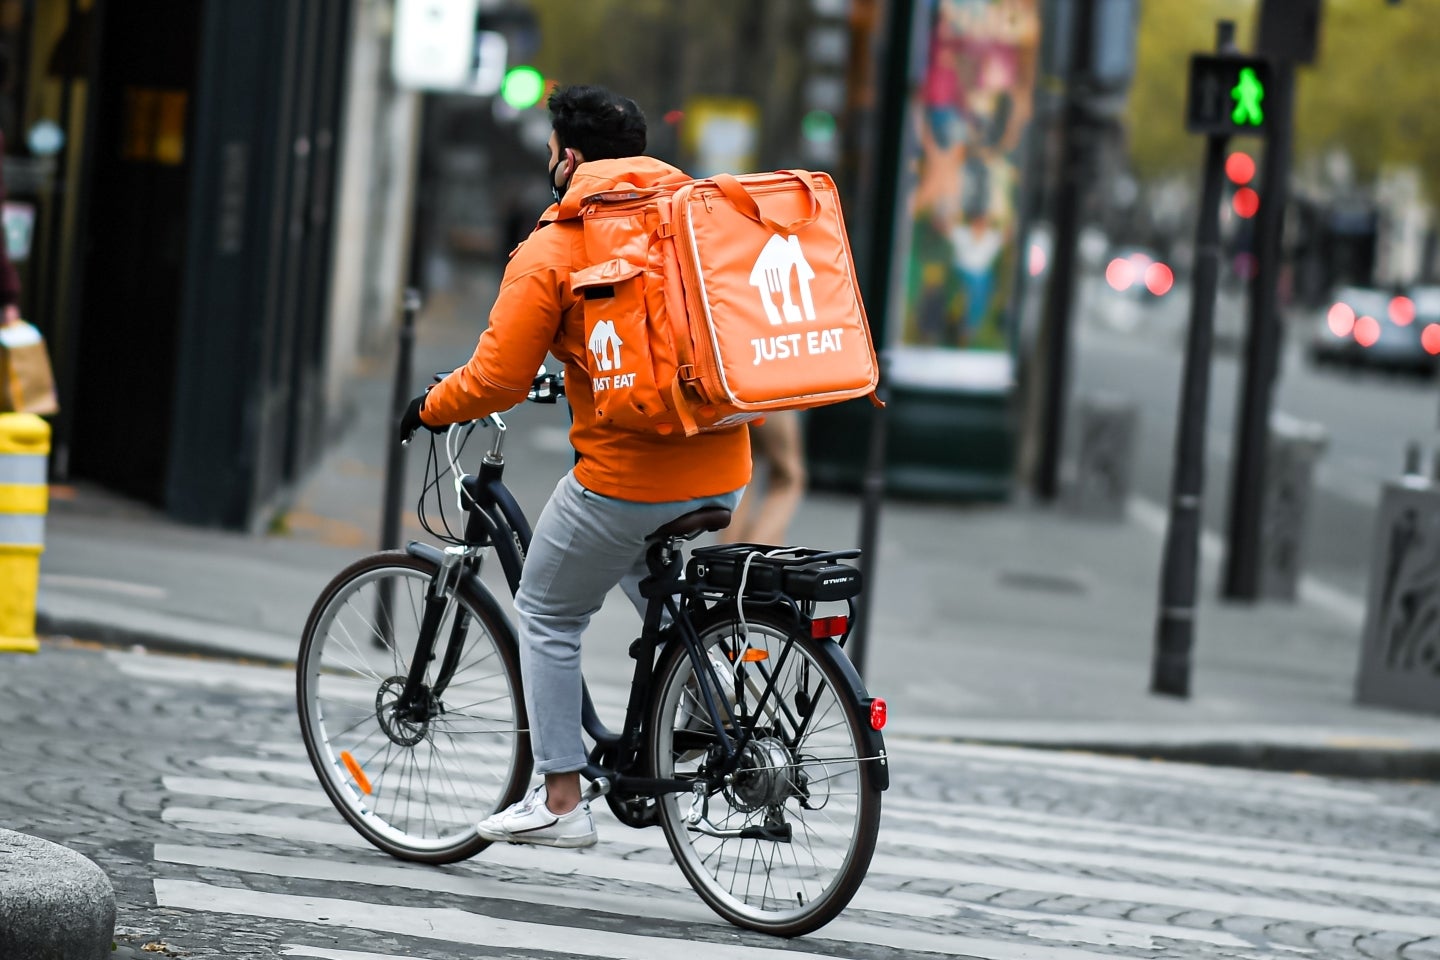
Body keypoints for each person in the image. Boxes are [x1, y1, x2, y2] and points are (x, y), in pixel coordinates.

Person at [399, 85, 751, 848]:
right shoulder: (694, 219)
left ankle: (561, 796)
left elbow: (494, 379)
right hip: (724, 461)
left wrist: (430, 408)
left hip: (629, 479)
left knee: (549, 611)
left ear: (570, 156)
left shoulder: (556, 247)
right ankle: (713, 693)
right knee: (638, 566)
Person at [718, 411, 806, 546]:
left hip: (734, 401)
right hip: (770, 398)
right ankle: (755, 551)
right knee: (787, 479)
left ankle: (727, 555)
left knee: (743, 475)